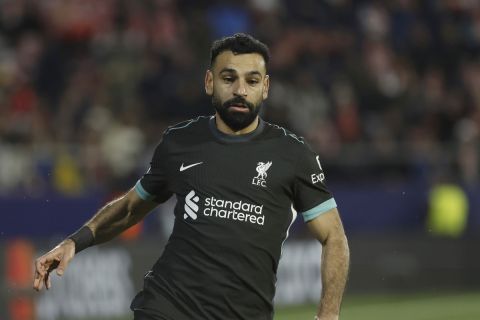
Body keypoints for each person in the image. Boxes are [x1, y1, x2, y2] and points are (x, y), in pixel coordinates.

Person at [33, 33, 350, 320]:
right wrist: (74, 243)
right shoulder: (179, 142)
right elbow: (131, 207)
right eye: (229, 78)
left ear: (265, 88)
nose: (240, 90)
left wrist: (328, 316)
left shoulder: (293, 155)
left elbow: (334, 237)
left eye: (252, 81)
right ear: (210, 82)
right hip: (167, 306)